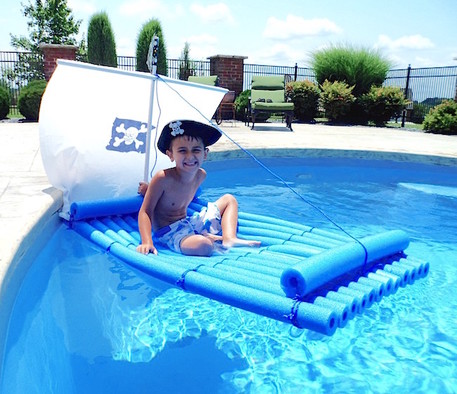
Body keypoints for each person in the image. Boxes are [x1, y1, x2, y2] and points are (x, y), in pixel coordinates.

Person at [136, 120, 260, 256]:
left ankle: (229, 239)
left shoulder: (201, 175)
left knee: (229, 199)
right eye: (182, 151)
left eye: (196, 150)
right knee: (204, 246)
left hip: (190, 222)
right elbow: (145, 212)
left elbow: (177, 195)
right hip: (171, 232)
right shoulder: (162, 178)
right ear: (171, 154)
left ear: (205, 154)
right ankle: (210, 239)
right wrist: (147, 241)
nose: (190, 156)